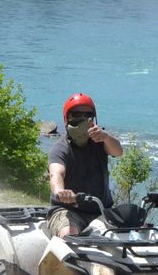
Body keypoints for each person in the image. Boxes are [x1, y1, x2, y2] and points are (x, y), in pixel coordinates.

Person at [47, 93, 124, 238]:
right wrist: (61, 192)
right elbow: (56, 173)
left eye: (87, 114)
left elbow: (118, 151)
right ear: (67, 117)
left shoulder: (100, 142)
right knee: (69, 235)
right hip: (68, 211)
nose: (82, 118)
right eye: (76, 114)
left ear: (93, 119)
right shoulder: (61, 148)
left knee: (129, 233)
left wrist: (106, 137)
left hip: (101, 211)